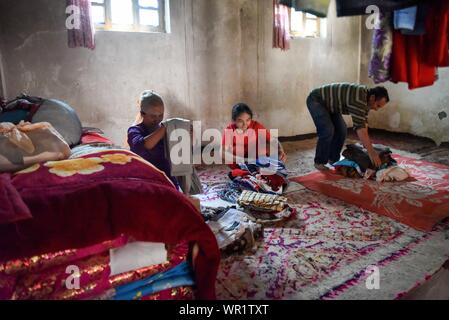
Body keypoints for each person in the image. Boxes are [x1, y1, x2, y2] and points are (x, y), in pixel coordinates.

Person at [306, 83, 389, 171]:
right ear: (372, 98)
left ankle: (333, 159)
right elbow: (360, 129)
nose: (376, 109)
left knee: (342, 130)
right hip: (317, 100)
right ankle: (319, 161)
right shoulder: (359, 99)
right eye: (378, 105)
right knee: (327, 130)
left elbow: (364, 124)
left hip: (331, 106)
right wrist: (371, 152)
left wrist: (367, 146)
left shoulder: (366, 100)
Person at [127, 90, 179, 187]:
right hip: (145, 179)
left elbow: (178, 153)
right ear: (142, 113)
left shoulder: (164, 129)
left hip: (166, 177)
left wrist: (187, 138)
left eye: (161, 115)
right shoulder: (134, 131)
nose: (158, 119)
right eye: (153, 116)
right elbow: (142, 145)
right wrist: (164, 128)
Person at [222, 103, 287, 168]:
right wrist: (244, 160)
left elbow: (273, 140)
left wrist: (281, 150)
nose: (245, 124)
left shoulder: (256, 125)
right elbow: (223, 152)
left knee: (268, 147)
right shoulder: (229, 130)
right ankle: (249, 168)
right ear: (234, 121)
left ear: (251, 119)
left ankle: (260, 166)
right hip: (239, 160)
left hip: (255, 158)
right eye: (240, 121)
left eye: (248, 120)